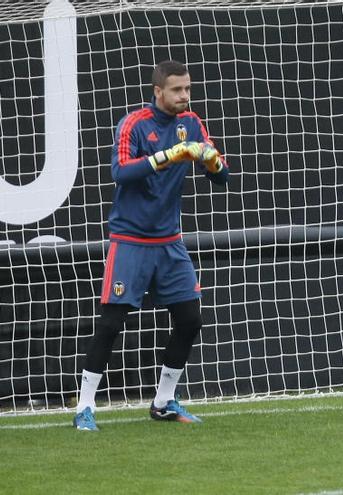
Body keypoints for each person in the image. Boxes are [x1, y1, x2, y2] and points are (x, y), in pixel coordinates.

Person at [73, 60, 230, 431]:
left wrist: (212, 162)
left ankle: (163, 402)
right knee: (111, 324)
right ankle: (84, 407)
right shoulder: (135, 123)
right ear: (158, 91)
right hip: (130, 241)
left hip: (170, 243)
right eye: (177, 90)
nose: (184, 96)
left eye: (188, 89)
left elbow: (222, 176)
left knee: (190, 319)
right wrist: (167, 156)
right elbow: (120, 172)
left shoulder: (190, 122)